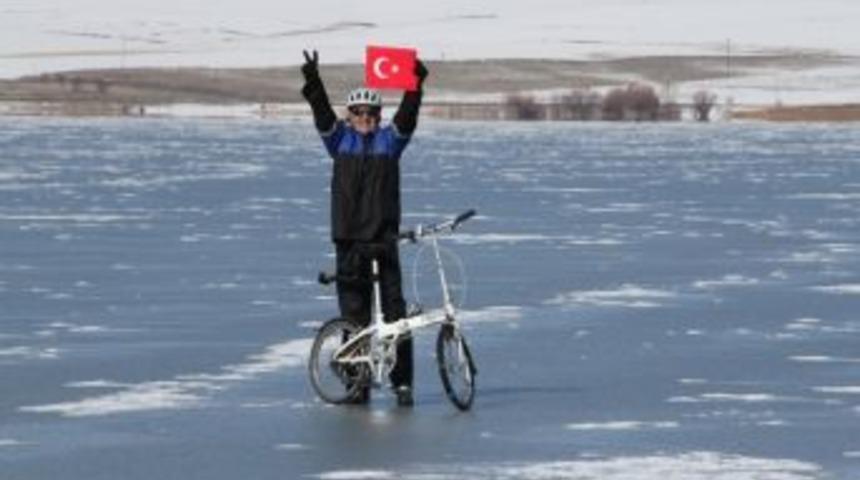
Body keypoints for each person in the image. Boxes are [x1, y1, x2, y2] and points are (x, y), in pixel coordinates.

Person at [300, 49, 428, 407]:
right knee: (354, 318)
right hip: (350, 242)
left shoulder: (391, 143)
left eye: (371, 113)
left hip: (383, 240)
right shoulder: (339, 141)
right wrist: (313, 81)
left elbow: (408, 116)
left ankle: (402, 383)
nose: (365, 118)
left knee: (395, 317)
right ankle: (359, 383)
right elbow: (322, 115)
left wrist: (415, 83)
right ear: (350, 115)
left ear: (378, 116)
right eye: (358, 112)